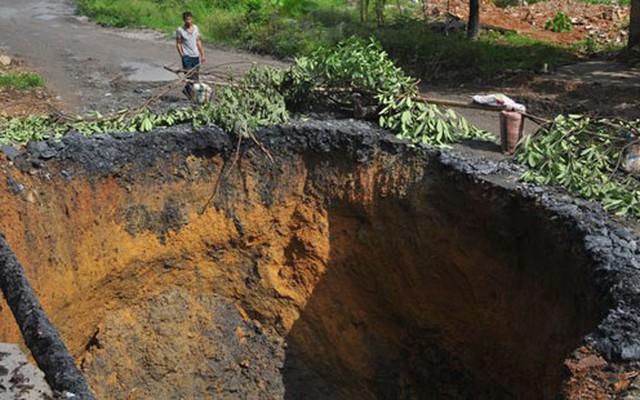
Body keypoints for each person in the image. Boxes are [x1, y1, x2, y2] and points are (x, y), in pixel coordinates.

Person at [176, 11, 206, 82]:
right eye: (187, 20)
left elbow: (198, 41)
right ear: (184, 20)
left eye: (190, 19)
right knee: (189, 76)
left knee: (196, 76)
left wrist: (202, 55)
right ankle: (189, 91)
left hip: (195, 56)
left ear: (192, 19)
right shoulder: (180, 30)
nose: (188, 21)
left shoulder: (196, 28)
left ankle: (194, 91)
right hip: (187, 57)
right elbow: (178, 43)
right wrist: (182, 56)